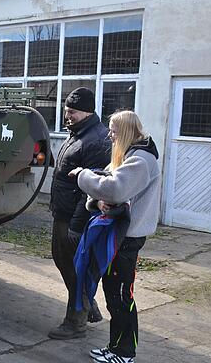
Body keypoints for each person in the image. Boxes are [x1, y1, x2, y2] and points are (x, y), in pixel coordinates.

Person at [69, 110, 161, 363]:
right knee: (113, 294)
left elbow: (114, 189)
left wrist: (82, 175)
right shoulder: (128, 154)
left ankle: (125, 353)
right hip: (117, 234)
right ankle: (114, 347)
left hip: (127, 239)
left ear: (127, 133)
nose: (109, 135)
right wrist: (97, 202)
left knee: (121, 296)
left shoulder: (141, 159)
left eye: (113, 131)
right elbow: (106, 182)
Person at [48, 87, 111, 340]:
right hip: (62, 212)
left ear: (87, 111)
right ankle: (87, 305)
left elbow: (91, 189)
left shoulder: (96, 140)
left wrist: (76, 225)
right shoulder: (77, 133)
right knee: (62, 260)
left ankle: (75, 323)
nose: (67, 116)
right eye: (66, 111)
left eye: (71, 112)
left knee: (76, 268)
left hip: (76, 218)